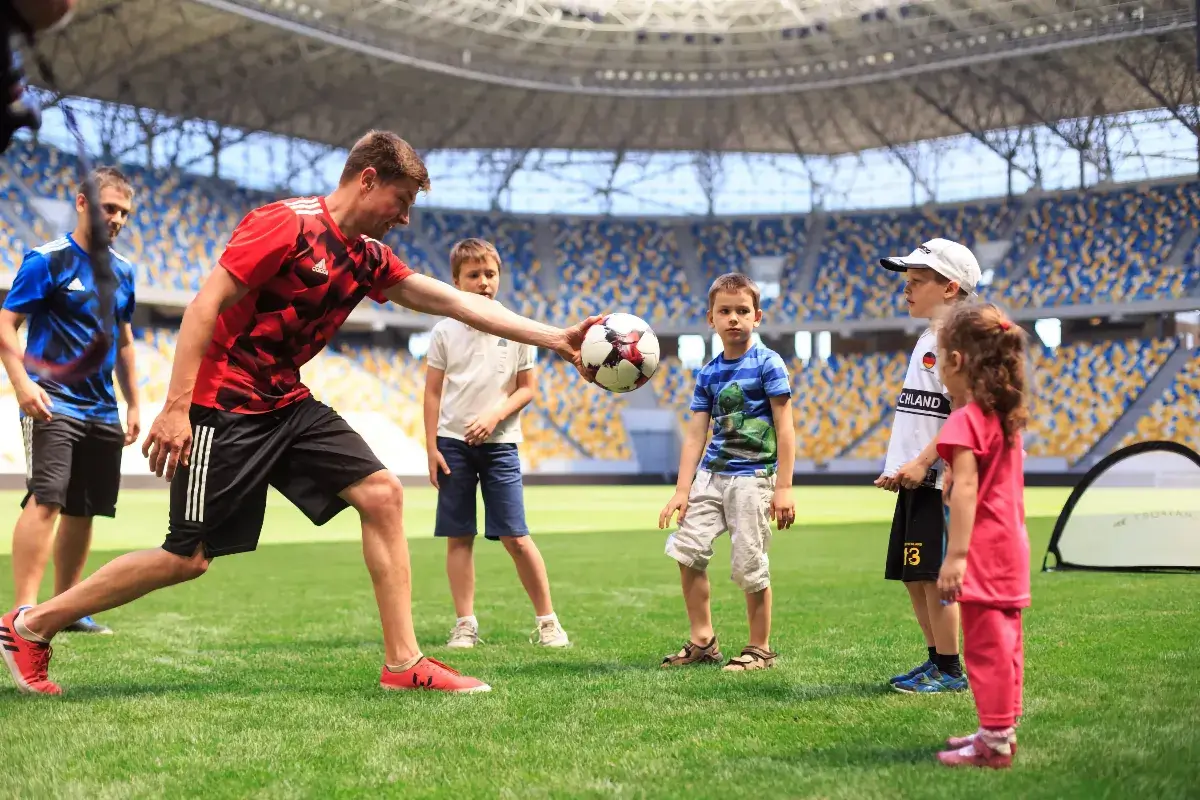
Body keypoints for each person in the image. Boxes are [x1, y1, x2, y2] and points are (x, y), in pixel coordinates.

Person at [0, 130, 597, 696]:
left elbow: (454, 302)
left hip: (286, 402)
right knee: (185, 558)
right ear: (368, 179)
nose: (405, 217)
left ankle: (404, 663)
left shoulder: (367, 258)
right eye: (402, 199)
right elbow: (203, 306)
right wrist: (176, 407)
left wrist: (558, 340)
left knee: (384, 494)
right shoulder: (284, 225)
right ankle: (31, 625)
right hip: (223, 407)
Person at [0, 166, 139, 636]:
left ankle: (69, 606)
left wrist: (135, 404)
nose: (116, 219)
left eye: (123, 212)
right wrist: (21, 383)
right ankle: (22, 611)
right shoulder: (47, 260)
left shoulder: (124, 271)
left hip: (102, 408)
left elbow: (123, 342)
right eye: (108, 208)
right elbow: (5, 325)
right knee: (47, 499)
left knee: (85, 507)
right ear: (82, 204)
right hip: (52, 400)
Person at [424, 238, 569, 649]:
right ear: (456, 281)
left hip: (501, 444)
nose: (484, 282)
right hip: (453, 444)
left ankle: (548, 622)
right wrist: (431, 445)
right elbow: (432, 392)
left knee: (516, 537)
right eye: (473, 275)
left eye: (490, 274)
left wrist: (493, 416)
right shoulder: (443, 330)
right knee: (459, 536)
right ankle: (465, 624)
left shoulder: (518, 327)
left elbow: (527, 390)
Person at [658, 273, 795, 672]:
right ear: (711, 318)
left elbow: (785, 425)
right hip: (711, 475)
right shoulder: (709, 373)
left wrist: (784, 486)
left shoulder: (769, 363)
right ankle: (703, 641)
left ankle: (760, 648)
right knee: (687, 550)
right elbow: (695, 433)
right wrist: (682, 489)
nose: (733, 318)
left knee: (749, 562)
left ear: (757, 316)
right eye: (725, 311)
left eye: (742, 311)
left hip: (753, 477)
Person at [875, 237, 979, 693]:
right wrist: (900, 466)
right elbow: (921, 412)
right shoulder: (927, 338)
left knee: (935, 579)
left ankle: (951, 670)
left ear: (950, 288)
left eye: (917, 281)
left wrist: (922, 462)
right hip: (916, 479)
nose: (907, 289)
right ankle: (936, 659)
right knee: (913, 576)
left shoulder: (957, 342)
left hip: (937, 479)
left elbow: (962, 414)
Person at [933, 302, 1030, 768]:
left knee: (986, 649)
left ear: (957, 362)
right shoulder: (1005, 417)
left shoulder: (965, 420)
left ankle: (992, 745)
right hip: (1012, 548)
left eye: (939, 361)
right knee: (1007, 643)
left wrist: (956, 558)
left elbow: (968, 487)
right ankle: (1001, 730)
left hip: (984, 553)